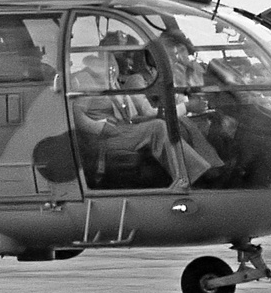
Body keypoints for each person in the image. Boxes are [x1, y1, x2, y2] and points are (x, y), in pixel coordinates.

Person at [70, 38, 222, 190]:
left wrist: (149, 118)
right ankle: (195, 177)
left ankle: (209, 169)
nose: (127, 60)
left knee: (168, 123)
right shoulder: (87, 79)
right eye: (122, 54)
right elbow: (76, 115)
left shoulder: (110, 79)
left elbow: (132, 116)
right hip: (105, 137)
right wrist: (101, 128)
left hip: (121, 129)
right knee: (158, 127)